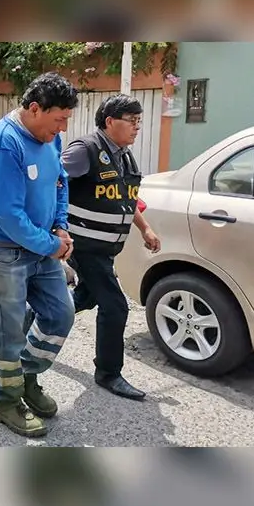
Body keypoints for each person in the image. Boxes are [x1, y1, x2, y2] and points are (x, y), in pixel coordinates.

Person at [0, 72, 78, 438]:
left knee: (61, 314)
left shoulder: (50, 136)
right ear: (34, 109)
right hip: (3, 251)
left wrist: (61, 225)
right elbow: (8, 216)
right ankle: (5, 401)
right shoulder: (2, 145)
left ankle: (25, 378)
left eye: (66, 119)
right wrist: (53, 246)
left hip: (43, 244)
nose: (63, 127)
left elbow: (59, 182)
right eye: (59, 119)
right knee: (8, 330)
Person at [61, 94, 161, 400]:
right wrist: (54, 231)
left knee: (88, 297)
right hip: (84, 246)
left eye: (139, 121)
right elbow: (50, 182)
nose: (137, 127)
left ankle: (40, 314)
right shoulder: (85, 150)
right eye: (130, 121)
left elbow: (124, 200)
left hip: (105, 249)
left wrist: (145, 228)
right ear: (109, 122)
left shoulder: (124, 156)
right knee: (115, 305)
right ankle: (108, 373)